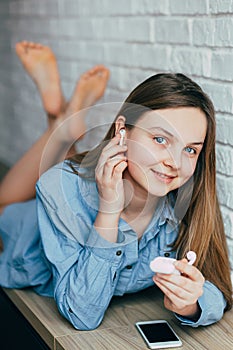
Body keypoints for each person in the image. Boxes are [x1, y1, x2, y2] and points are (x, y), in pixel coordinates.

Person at [0, 42, 232, 331]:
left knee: (75, 173)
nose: (175, 162)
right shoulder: (59, 189)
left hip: (82, 179)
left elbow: (218, 286)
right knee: (6, 205)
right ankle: (58, 127)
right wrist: (109, 211)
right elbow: (81, 314)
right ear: (122, 130)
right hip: (30, 233)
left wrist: (193, 303)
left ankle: (64, 127)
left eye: (190, 150)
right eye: (160, 139)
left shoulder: (188, 200)